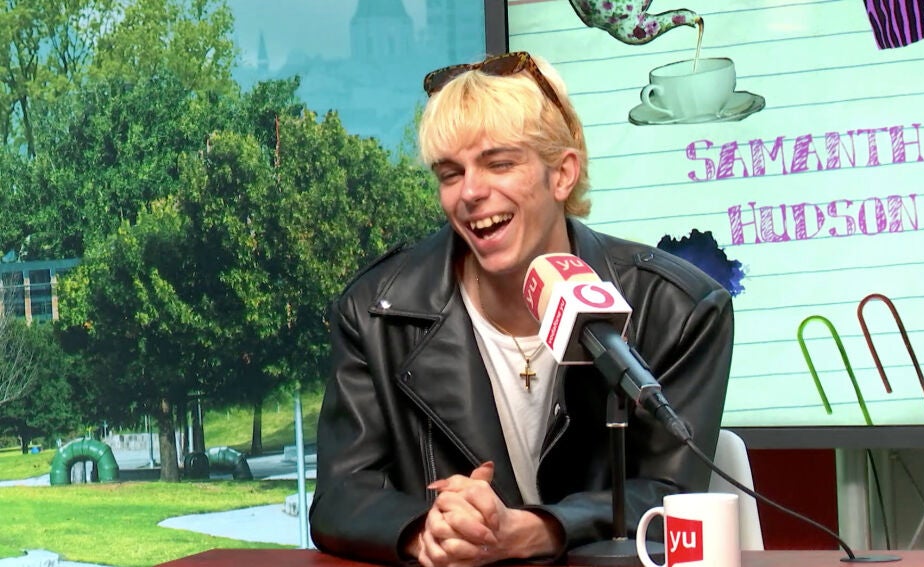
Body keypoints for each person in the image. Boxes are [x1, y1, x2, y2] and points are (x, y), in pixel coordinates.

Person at [309, 51, 734, 567]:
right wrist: (432, 532)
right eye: (450, 173)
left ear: (563, 174)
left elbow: (672, 498)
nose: (470, 192)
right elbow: (341, 496)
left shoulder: (679, 308)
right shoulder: (375, 310)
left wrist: (530, 532)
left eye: (499, 163)